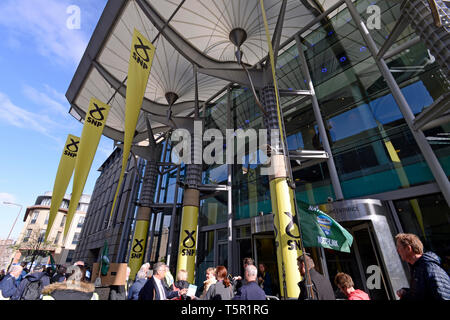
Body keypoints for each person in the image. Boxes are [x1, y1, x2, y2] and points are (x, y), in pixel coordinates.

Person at [395, 233, 450, 300]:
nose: (397, 251)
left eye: (398, 247)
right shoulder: (417, 268)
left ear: (408, 248)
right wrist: (406, 293)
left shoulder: (430, 267)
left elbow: (444, 296)